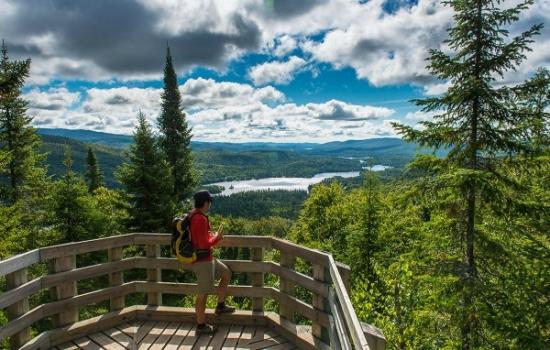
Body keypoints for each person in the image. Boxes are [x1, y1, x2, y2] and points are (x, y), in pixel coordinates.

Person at [190, 190, 235, 334]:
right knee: (203, 294)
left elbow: (202, 239)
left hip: (208, 259)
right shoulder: (200, 219)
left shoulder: (195, 215)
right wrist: (217, 237)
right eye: (209, 202)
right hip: (203, 261)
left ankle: (220, 305)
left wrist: (214, 236)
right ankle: (200, 326)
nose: (210, 204)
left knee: (226, 273)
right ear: (205, 202)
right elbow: (204, 244)